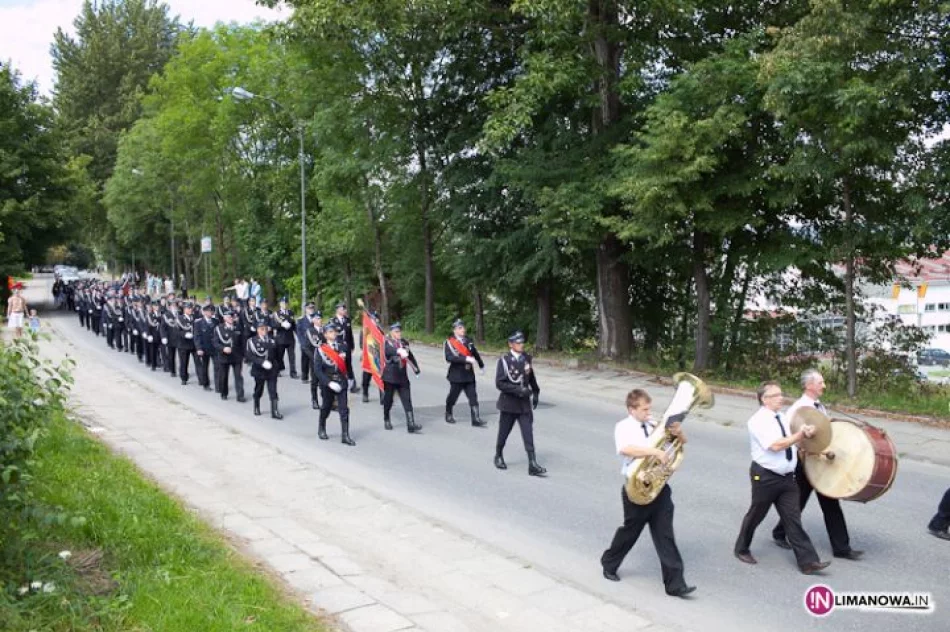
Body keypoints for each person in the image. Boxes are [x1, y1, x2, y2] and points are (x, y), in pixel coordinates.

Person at [600, 389, 695, 597]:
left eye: (649, 408)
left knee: (665, 535)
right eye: (644, 409)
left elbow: (680, 444)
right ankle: (609, 563)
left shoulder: (653, 426)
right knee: (630, 532)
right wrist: (654, 451)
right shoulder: (623, 426)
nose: (648, 412)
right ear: (631, 409)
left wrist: (678, 433)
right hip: (636, 487)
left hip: (659, 488)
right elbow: (626, 449)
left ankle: (675, 584)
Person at [734, 381, 830, 574]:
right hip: (766, 477)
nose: (782, 398)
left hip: (787, 477)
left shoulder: (783, 417)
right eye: (776, 395)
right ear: (764, 399)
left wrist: (807, 433)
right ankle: (741, 548)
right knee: (756, 515)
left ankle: (808, 562)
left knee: (793, 519)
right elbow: (776, 445)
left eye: (781, 394)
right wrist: (800, 435)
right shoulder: (757, 421)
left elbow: (795, 437)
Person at [771, 369, 863, 560]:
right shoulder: (799, 409)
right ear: (809, 385)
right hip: (805, 463)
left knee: (829, 502)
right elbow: (791, 438)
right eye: (820, 383)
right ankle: (780, 533)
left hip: (819, 463)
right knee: (798, 503)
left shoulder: (818, 406)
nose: (824, 386)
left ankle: (842, 548)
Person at [494, 331, 545, 476]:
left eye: (522, 342)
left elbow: (531, 375)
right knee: (504, 432)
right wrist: (519, 390)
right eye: (518, 343)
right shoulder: (504, 361)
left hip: (523, 404)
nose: (521, 345)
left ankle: (532, 463)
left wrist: (535, 391)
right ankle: (498, 455)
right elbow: (500, 383)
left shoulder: (526, 358)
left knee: (528, 432)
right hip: (509, 403)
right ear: (510, 344)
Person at [313, 322, 355, 445]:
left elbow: (347, 364)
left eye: (334, 331)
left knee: (344, 409)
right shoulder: (320, 350)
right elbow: (317, 370)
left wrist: (350, 378)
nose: (334, 334)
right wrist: (328, 383)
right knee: (326, 407)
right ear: (325, 334)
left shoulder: (342, 346)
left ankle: (345, 435)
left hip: (341, 381)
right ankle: (321, 427)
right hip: (328, 382)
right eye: (330, 332)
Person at [443, 319, 486, 427]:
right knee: (453, 396)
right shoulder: (449, 342)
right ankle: (448, 413)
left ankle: (475, 418)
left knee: (473, 396)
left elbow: (475, 353)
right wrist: (465, 359)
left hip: (469, 374)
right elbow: (449, 358)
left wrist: (481, 365)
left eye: (463, 327)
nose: (463, 330)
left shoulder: (468, 341)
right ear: (454, 330)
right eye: (460, 328)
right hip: (456, 375)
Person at [382, 322, 422, 433]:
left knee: (407, 400)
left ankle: (411, 424)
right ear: (391, 332)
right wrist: (398, 351)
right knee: (388, 400)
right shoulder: (387, 342)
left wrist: (416, 368)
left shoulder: (404, 343)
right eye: (396, 331)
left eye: (399, 331)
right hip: (390, 377)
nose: (399, 333)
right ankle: (386, 418)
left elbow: (410, 355)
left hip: (402, 377)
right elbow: (388, 352)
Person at [246, 321, 282, 419]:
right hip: (259, 369)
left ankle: (274, 411)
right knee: (259, 389)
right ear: (257, 330)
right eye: (262, 329)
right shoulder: (251, 341)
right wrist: (261, 362)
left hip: (271, 369)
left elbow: (278, 354)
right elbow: (250, 355)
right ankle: (256, 406)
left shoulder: (272, 340)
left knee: (273, 390)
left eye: (265, 328)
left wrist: (278, 366)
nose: (264, 331)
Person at [213, 309, 245, 403]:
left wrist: (245, 355)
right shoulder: (219, 328)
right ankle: (224, 393)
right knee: (223, 376)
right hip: (224, 356)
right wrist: (223, 348)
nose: (231, 318)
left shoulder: (238, 327)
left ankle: (240, 395)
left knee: (238, 376)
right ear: (224, 318)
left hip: (237, 356)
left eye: (232, 316)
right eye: (229, 317)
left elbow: (243, 342)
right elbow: (215, 342)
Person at [330, 303, 358, 392]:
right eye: (342, 309)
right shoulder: (332, 321)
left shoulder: (347, 320)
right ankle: (338, 384)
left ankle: (352, 385)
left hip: (347, 346)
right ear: (337, 310)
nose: (344, 310)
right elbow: (330, 335)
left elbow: (350, 334)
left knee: (349, 365)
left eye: (345, 309)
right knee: (338, 366)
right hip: (337, 347)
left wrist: (352, 345)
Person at [304, 311, 325, 410]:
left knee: (325, 380)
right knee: (315, 381)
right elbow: (306, 347)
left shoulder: (325, 330)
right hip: (315, 359)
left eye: (320, 318)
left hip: (325, 360)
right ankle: (314, 400)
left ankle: (326, 400)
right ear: (313, 320)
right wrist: (314, 358)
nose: (319, 320)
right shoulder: (310, 331)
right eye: (317, 318)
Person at [274, 296, 298, 379]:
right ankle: (277, 370)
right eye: (283, 303)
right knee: (279, 356)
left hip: (290, 338)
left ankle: (293, 372)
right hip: (281, 338)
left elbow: (294, 325)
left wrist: (298, 334)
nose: (285, 304)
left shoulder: (291, 313)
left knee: (292, 357)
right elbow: (274, 325)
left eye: (286, 303)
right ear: (280, 304)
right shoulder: (277, 314)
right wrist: (281, 325)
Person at [195, 304, 217, 391]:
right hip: (204, 348)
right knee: (205, 366)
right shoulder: (198, 323)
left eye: (211, 311)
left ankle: (218, 385)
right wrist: (199, 348)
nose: (210, 312)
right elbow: (197, 336)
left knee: (217, 367)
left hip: (215, 348)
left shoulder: (216, 321)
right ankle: (206, 384)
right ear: (204, 312)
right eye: (208, 311)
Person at [176, 302, 198, 386]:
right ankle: (184, 378)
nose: (191, 309)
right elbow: (177, 331)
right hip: (183, 344)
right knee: (184, 362)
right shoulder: (180, 318)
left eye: (191, 308)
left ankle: (202, 379)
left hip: (194, 343)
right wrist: (184, 334)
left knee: (198, 362)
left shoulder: (194, 317)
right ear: (185, 309)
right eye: (189, 308)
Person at [296, 302, 315, 383]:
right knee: (305, 360)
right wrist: (302, 343)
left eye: (312, 308)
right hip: (305, 344)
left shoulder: (316, 318)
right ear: (305, 309)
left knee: (314, 360)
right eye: (309, 308)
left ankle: (314, 377)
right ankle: (304, 377)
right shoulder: (301, 320)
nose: (311, 310)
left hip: (314, 343)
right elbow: (299, 333)